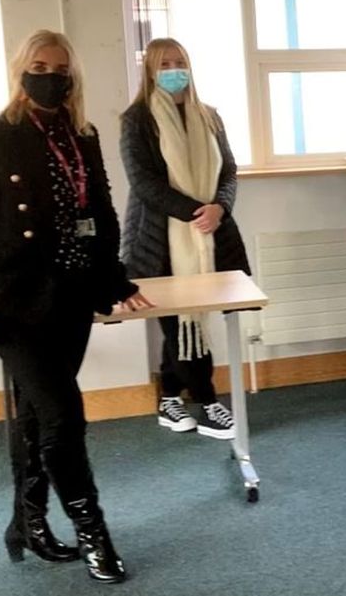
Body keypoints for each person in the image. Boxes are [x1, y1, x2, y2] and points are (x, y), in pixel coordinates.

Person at [0, 29, 152, 583]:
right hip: (14, 305)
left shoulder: (83, 134)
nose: (51, 77)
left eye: (60, 68)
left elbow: (100, 210)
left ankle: (26, 523)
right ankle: (94, 532)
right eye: (40, 66)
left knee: (35, 418)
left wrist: (116, 280)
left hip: (71, 299)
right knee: (63, 417)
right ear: (21, 70)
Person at [120, 38, 249, 440]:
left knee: (188, 319)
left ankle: (170, 395)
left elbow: (228, 172)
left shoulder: (209, 116)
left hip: (212, 234)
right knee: (179, 322)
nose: (175, 70)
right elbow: (143, 182)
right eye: (165, 64)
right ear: (151, 72)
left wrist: (219, 208)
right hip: (159, 241)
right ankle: (207, 400)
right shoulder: (137, 119)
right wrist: (197, 211)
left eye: (180, 62)